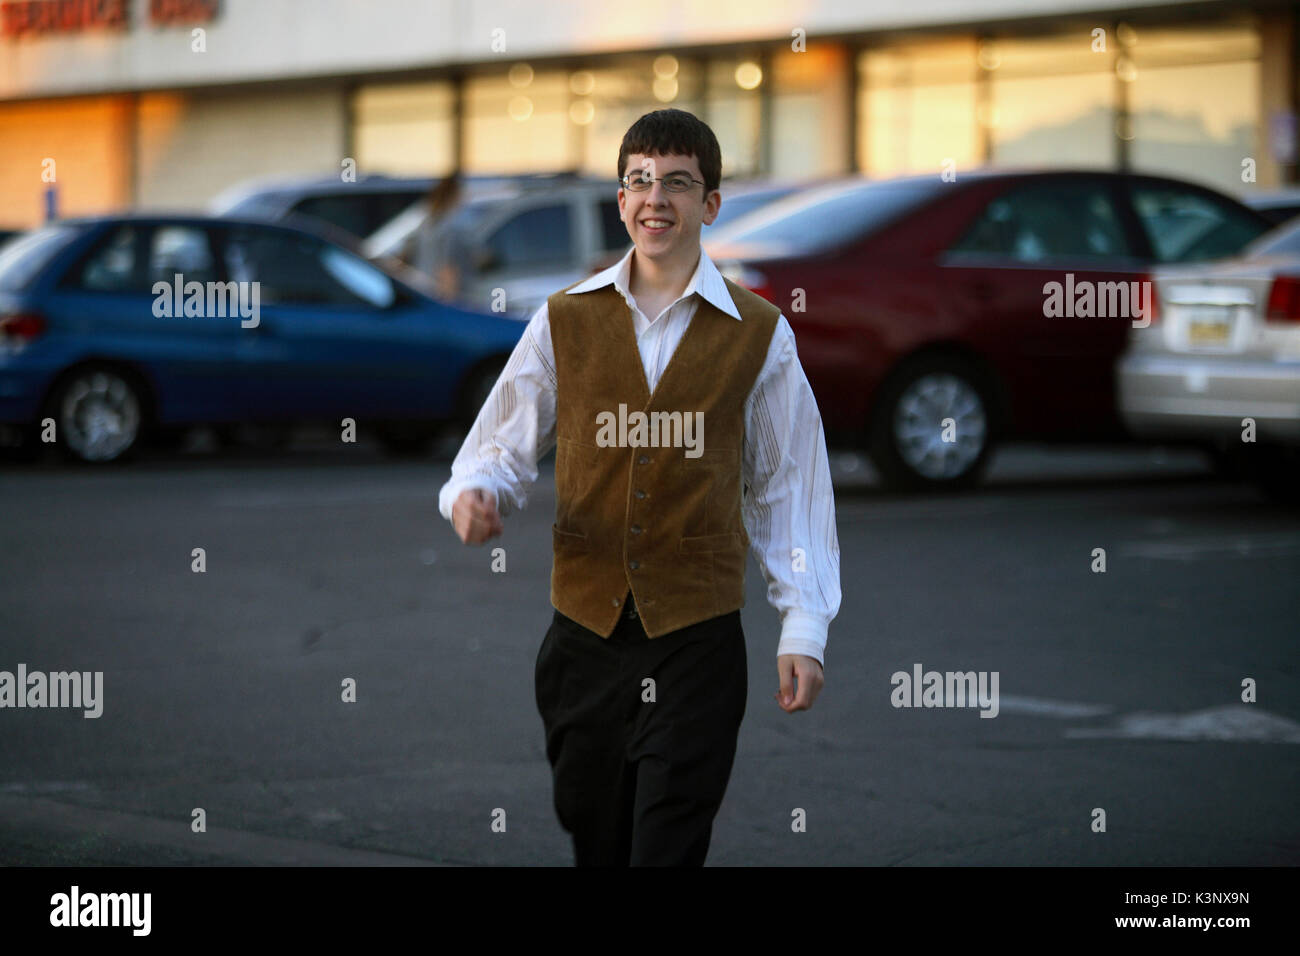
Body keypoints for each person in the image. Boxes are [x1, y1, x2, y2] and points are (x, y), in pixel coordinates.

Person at [438, 108, 840, 866]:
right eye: (640, 181)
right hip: (582, 643)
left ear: (711, 204)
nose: (657, 199)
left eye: (679, 183)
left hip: (697, 645)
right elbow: (498, 445)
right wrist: (476, 494)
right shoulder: (565, 319)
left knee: (666, 846)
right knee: (598, 838)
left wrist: (804, 627)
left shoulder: (760, 333)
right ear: (620, 200)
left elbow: (789, 484)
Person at [414, 169, 470, 301]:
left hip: (423, 291)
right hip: (439, 295)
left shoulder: (427, 224)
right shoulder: (450, 226)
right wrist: (449, 303)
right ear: (454, 195)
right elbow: (447, 269)